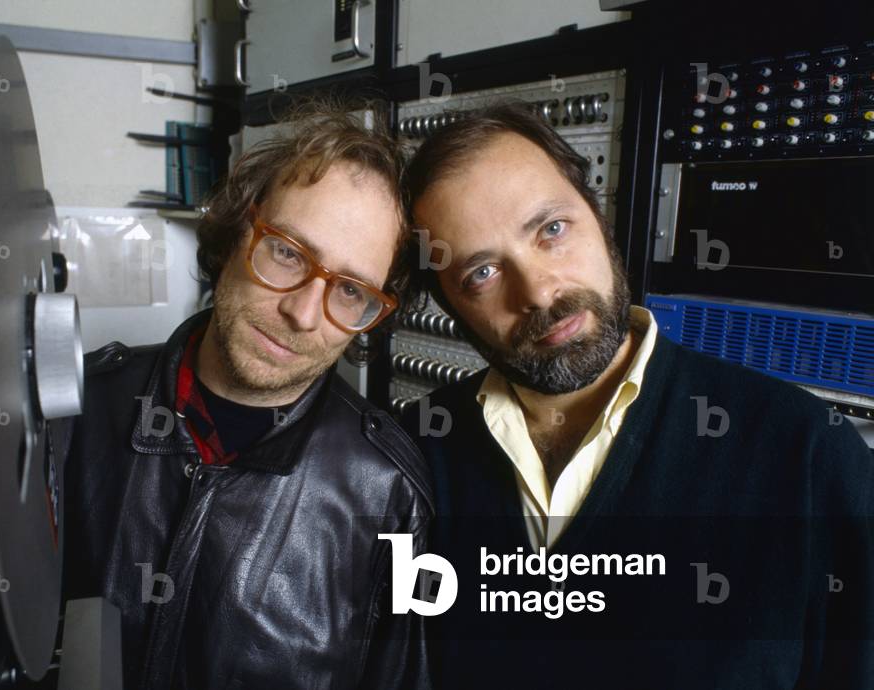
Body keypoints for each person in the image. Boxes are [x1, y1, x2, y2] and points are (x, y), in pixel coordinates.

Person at [402, 102, 874, 689]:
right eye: (482, 273)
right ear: (449, 305)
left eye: (552, 230)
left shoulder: (808, 454)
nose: (539, 292)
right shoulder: (411, 455)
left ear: (599, 216)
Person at [62, 103, 432, 690]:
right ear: (238, 229)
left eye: (351, 291)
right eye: (288, 252)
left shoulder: (390, 493)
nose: (302, 313)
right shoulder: (73, 408)